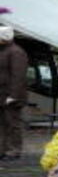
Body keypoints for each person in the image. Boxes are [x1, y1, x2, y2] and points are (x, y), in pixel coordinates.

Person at [0, 25, 28, 162]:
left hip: (10, 96)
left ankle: (13, 150)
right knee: (4, 124)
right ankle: (4, 149)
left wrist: (13, 95)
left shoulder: (16, 52)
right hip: (3, 94)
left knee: (12, 124)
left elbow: (18, 76)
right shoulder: (5, 51)